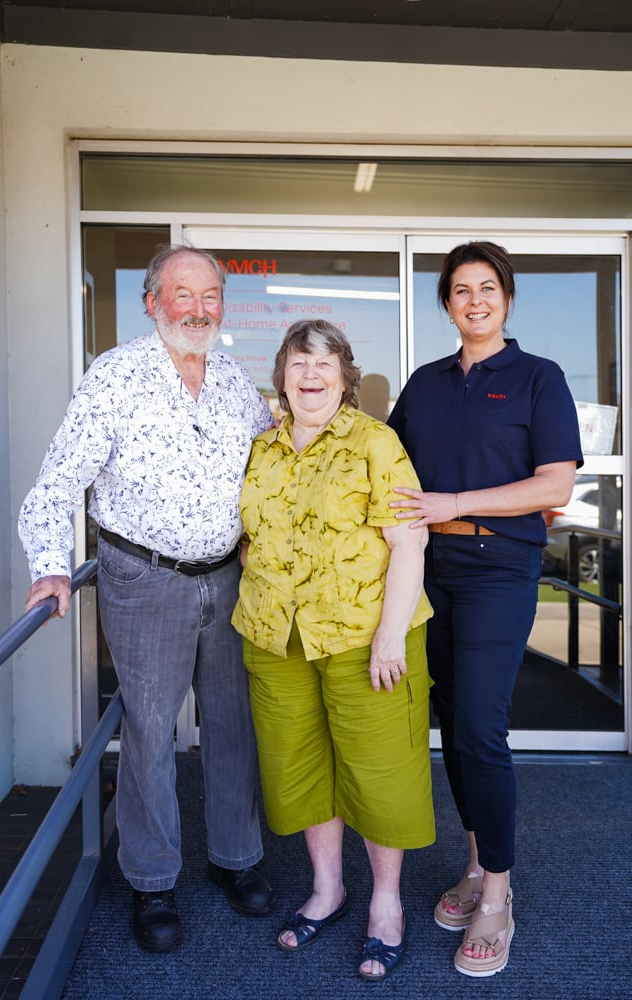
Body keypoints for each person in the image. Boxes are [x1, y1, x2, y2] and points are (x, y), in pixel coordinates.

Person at [18, 243, 276, 954]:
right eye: (181, 294)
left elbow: (277, 464)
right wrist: (49, 564)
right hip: (143, 578)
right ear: (152, 302)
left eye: (209, 295)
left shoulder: (231, 379)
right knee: (150, 732)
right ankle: (153, 880)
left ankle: (235, 860)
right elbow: (59, 480)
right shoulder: (115, 375)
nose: (197, 308)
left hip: (228, 578)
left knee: (232, 725)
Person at [387, 241, 582, 978]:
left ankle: (497, 893)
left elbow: (553, 486)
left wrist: (459, 503)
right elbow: (384, 461)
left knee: (478, 724)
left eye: (487, 288)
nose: (474, 300)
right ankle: (473, 863)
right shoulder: (426, 383)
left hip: (499, 566)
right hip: (426, 566)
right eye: (460, 290)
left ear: (505, 298)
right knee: (449, 720)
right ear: (445, 303)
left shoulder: (538, 377)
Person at [231, 319, 435, 982]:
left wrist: (387, 635)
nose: (310, 375)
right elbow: (248, 538)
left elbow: (409, 543)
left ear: (345, 378)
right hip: (275, 638)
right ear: (281, 376)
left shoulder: (376, 442)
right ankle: (327, 889)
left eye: (324, 364)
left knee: (379, 771)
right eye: (298, 363)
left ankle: (384, 904)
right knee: (302, 768)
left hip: (363, 637)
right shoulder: (261, 448)